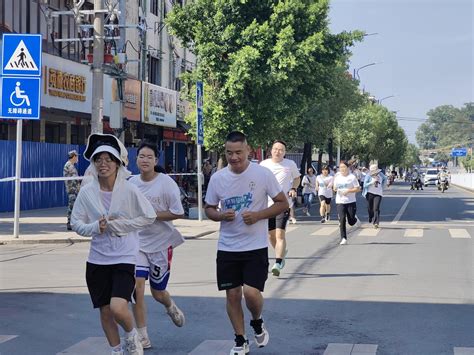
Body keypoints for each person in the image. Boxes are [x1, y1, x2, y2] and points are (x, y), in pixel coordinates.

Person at [71, 133, 157, 355]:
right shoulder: (87, 191)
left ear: (118, 162)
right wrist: (94, 228)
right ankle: (116, 350)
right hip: (97, 260)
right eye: (99, 159)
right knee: (106, 311)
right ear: (93, 163)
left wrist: (121, 226)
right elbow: (76, 222)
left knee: (119, 308)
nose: (103, 164)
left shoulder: (129, 190)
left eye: (109, 159)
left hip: (124, 257)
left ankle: (131, 334)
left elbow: (149, 215)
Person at [205, 131, 288, 355]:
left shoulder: (262, 174)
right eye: (229, 153)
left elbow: (283, 203)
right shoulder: (218, 178)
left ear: (248, 150)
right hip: (227, 247)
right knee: (232, 295)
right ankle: (240, 340)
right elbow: (209, 208)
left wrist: (259, 215)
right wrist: (220, 215)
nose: (234, 157)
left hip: (255, 246)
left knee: (251, 293)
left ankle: (257, 321)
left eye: (238, 152)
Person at [129, 142, 186, 349]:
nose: (144, 160)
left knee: (158, 292)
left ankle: (170, 305)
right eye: (141, 156)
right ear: (136, 159)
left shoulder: (166, 183)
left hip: (161, 243)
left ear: (155, 160)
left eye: (149, 156)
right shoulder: (131, 183)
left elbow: (178, 212)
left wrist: (151, 216)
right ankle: (143, 335)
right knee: (137, 287)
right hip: (137, 244)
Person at [260, 140, 300, 276]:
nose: (278, 151)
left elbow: (297, 178)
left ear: (285, 152)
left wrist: (294, 188)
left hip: (283, 204)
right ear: (271, 151)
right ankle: (282, 253)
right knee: (271, 236)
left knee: (279, 234)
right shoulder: (264, 164)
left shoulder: (290, 164)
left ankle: (277, 262)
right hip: (267, 206)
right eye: (275, 149)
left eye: (281, 149)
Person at [333, 160, 361, 245]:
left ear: (347, 168)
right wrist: (338, 190)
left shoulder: (352, 177)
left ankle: (355, 219)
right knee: (342, 220)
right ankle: (343, 238)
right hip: (340, 201)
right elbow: (334, 188)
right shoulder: (337, 177)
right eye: (340, 167)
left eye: (344, 167)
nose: (342, 169)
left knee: (351, 221)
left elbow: (358, 188)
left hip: (350, 201)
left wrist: (348, 191)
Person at [362, 164, 387, 229]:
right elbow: (364, 185)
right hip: (369, 193)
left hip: (378, 194)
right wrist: (371, 182)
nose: (375, 173)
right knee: (370, 208)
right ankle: (370, 216)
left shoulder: (381, 174)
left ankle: (376, 222)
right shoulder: (368, 176)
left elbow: (385, 179)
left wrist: (382, 187)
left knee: (376, 208)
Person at [64, 150, 80, 231]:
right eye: (76, 156)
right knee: (72, 206)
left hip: (74, 190)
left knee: (74, 206)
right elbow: (75, 179)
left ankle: (72, 222)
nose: (77, 158)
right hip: (72, 190)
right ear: (74, 156)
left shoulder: (71, 165)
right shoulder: (69, 165)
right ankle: (69, 223)